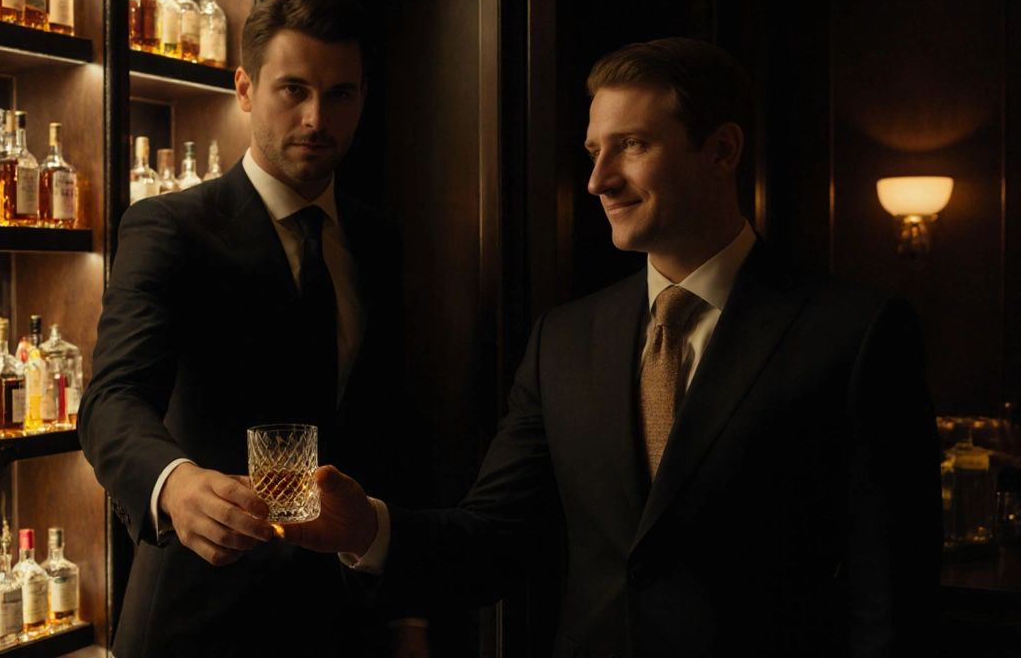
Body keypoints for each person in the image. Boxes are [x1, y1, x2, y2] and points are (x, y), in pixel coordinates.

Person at [282, 37, 943, 657]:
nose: (599, 180)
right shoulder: (564, 339)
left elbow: (891, 592)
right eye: (594, 150)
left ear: (722, 150)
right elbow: (496, 539)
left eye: (631, 145)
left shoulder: (853, 333)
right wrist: (366, 528)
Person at [78, 0, 430, 657]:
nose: (316, 118)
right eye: (292, 90)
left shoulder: (377, 238)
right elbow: (110, 401)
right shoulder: (170, 227)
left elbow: (388, 425)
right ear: (244, 89)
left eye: (341, 94)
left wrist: (407, 612)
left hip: (343, 623)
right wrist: (175, 484)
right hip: (200, 614)